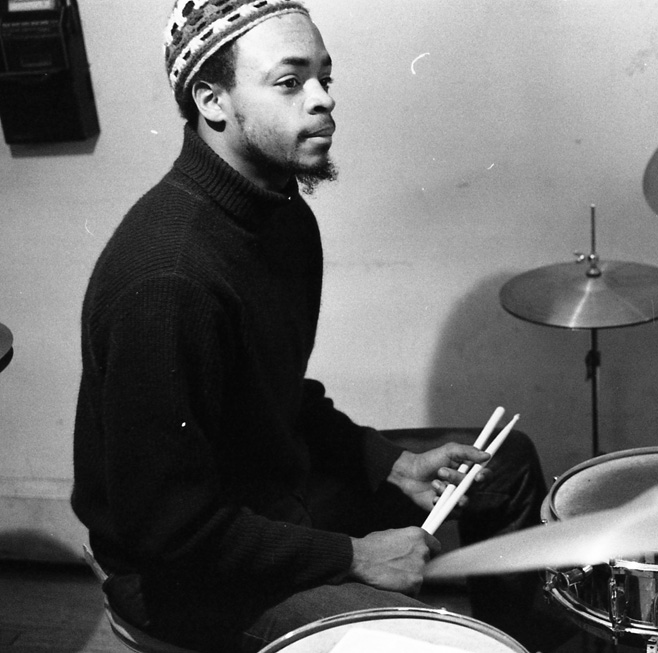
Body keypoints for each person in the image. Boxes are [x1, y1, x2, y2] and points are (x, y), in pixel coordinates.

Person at [71, 2, 570, 651]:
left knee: (504, 463)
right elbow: (168, 531)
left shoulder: (282, 213)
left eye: (325, 77)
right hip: (183, 574)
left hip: (277, 495)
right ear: (212, 100)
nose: (323, 100)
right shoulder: (169, 281)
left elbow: (274, 399)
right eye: (290, 81)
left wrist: (388, 462)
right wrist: (353, 556)